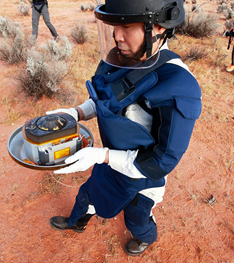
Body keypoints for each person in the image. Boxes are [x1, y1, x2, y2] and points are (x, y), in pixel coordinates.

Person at [46, 0, 202, 256]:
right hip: (111, 163)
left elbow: (160, 162)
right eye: (114, 25)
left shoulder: (179, 86)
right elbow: (105, 99)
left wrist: (101, 155)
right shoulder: (121, 58)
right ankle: (77, 222)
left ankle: (145, 237)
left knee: (136, 217)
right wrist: (76, 113)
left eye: (127, 26)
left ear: (160, 25)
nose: (117, 36)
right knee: (89, 194)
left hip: (142, 178)